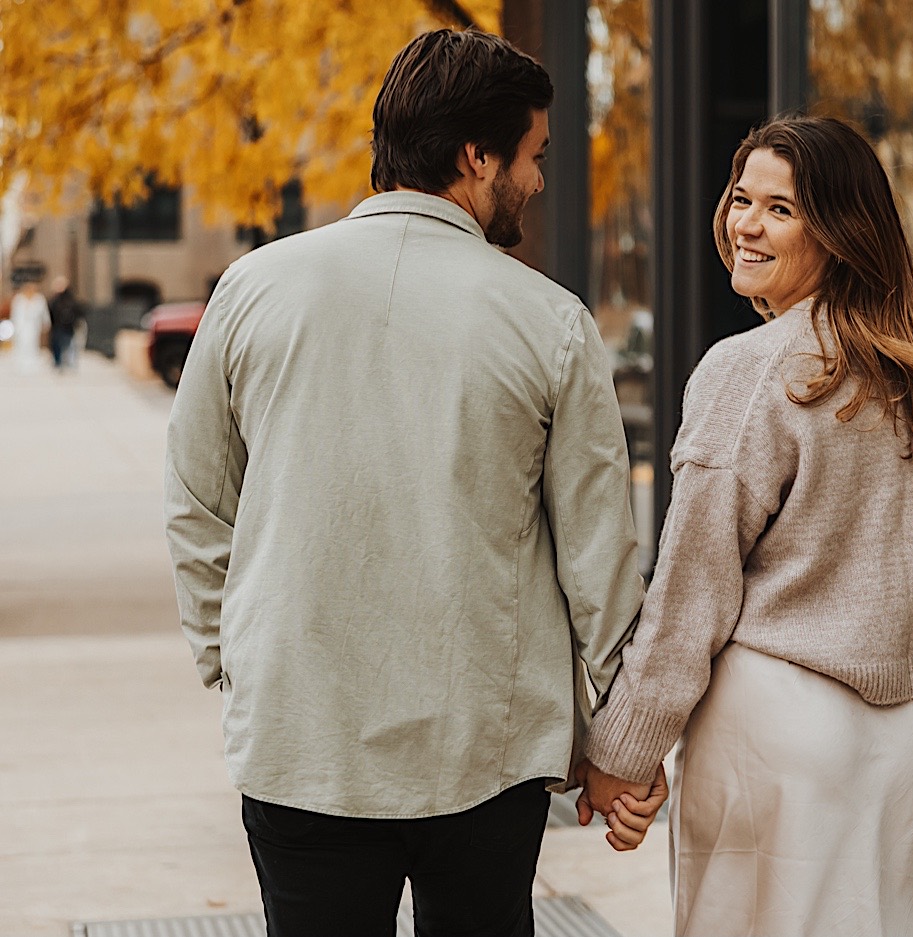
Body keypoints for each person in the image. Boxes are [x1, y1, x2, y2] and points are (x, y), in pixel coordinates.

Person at [164, 29, 658, 937]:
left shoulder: (250, 290)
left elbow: (196, 501)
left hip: (300, 736)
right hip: (486, 750)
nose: (539, 180)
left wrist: (230, 658)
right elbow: (600, 560)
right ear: (477, 157)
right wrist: (624, 743)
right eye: (534, 156)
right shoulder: (548, 320)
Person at [578, 115, 913, 937]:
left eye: (781, 209)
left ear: (839, 232)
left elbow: (693, 587)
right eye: (742, 200)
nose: (747, 226)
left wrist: (620, 756)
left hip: (780, 727)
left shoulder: (752, 366)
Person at [8, 279, 48, 373]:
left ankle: (31, 362)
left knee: (32, 342)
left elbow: (44, 313)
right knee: (21, 343)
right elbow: (14, 313)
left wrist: (46, 323)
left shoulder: (39, 299)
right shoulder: (19, 299)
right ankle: (21, 362)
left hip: (33, 325)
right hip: (21, 326)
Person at [47, 276, 84, 370]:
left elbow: (77, 311)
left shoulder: (69, 299)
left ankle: (68, 363)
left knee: (68, 344)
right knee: (57, 345)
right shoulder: (54, 300)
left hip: (67, 326)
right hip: (57, 326)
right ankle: (58, 362)